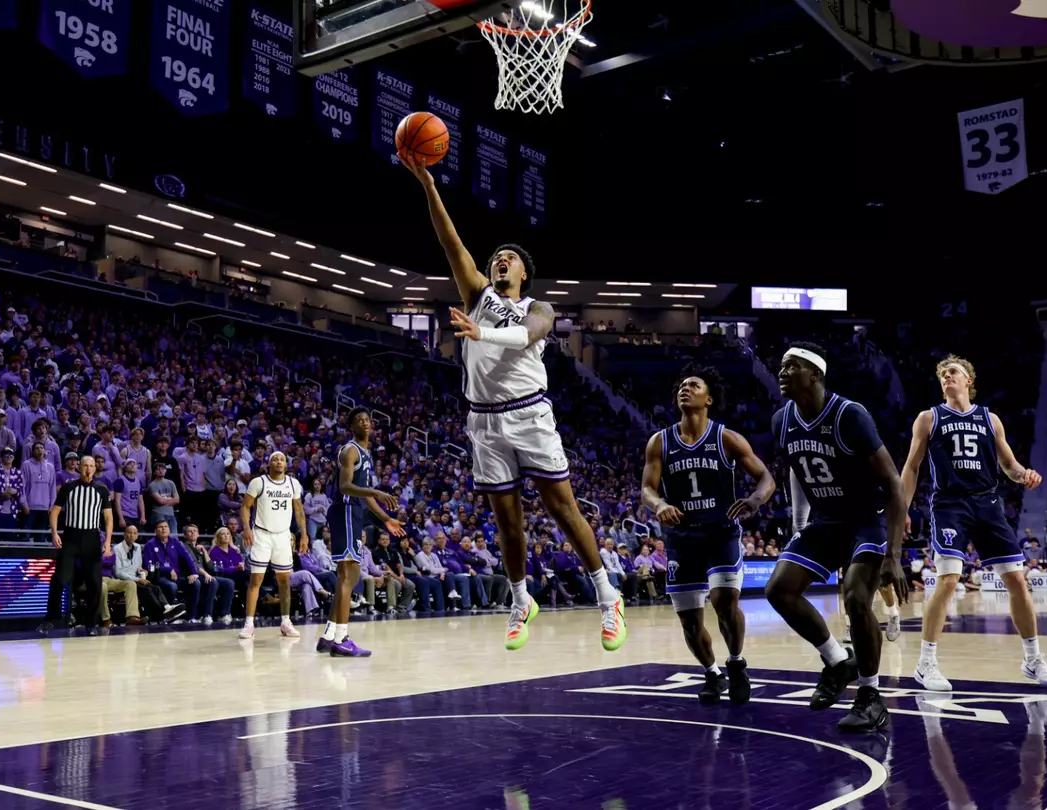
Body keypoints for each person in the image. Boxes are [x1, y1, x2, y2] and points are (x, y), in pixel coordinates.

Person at [400, 151, 625, 653]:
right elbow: (448, 240)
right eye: (496, 256)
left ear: (524, 273)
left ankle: (608, 596)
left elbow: (528, 335)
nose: (501, 259)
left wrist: (481, 332)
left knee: (564, 509)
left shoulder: (537, 307)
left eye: (511, 257)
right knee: (507, 521)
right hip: (483, 422)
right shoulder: (477, 292)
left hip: (529, 414)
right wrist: (428, 187)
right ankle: (520, 599)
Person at [764, 342, 907, 732]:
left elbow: (893, 482)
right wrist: (799, 522)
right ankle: (837, 660)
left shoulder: (850, 415)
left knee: (857, 596)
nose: (781, 372)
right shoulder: (782, 420)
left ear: (815, 374)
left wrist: (894, 553)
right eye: (781, 366)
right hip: (825, 520)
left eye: (790, 366)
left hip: (865, 518)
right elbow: (796, 467)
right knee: (779, 589)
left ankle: (871, 697)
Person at [899, 355, 1047, 691]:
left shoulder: (991, 419)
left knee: (1017, 580)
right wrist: (901, 508)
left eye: (953, 372)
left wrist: (1025, 475)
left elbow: (1009, 465)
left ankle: (1033, 660)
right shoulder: (929, 418)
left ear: (969, 380)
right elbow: (912, 467)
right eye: (943, 374)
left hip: (988, 503)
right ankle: (925, 664)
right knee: (948, 579)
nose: (947, 376)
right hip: (950, 505)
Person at [641, 371, 775, 706]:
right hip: (681, 538)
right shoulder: (660, 441)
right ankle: (712, 673)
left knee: (724, 600)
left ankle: (736, 662)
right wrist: (659, 503)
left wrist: (754, 500)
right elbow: (647, 488)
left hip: (720, 532)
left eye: (694, 386)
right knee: (689, 619)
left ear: (708, 399)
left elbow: (765, 477)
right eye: (681, 386)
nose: (685, 389)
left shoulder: (727, 438)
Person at [318, 408, 403, 656]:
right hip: (344, 511)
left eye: (367, 420)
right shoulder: (351, 450)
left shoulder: (365, 453)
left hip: (353, 513)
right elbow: (345, 486)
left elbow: (364, 496)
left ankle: (329, 635)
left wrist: (387, 519)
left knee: (350, 576)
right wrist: (376, 492)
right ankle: (342, 638)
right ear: (351, 426)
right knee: (348, 575)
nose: (365, 423)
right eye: (359, 421)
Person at [238, 451, 309, 640]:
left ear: (286, 465)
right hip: (261, 535)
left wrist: (304, 534)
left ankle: (286, 622)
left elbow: (299, 511)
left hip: (283, 536)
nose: (279, 462)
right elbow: (245, 506)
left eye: (282, 460)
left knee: (285, 580)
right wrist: (246, 528)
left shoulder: (293, 484)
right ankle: (249, 624)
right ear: (269, 464)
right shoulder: (259, 482)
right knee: (256, 580)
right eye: (275, 459)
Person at [40, 456, 114, 632]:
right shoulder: (68, 487)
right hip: (71, 537)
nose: (88, 469)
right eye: (85, 465)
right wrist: (54, 533)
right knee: (59, 580)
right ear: (79, 467)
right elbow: (55, 511)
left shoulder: (101, 490)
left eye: (91, 466)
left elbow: (109, 518)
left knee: (95, 584)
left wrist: (109, 542)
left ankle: (90, 623)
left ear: (95, 469)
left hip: (92, 538)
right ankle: (51, 617)